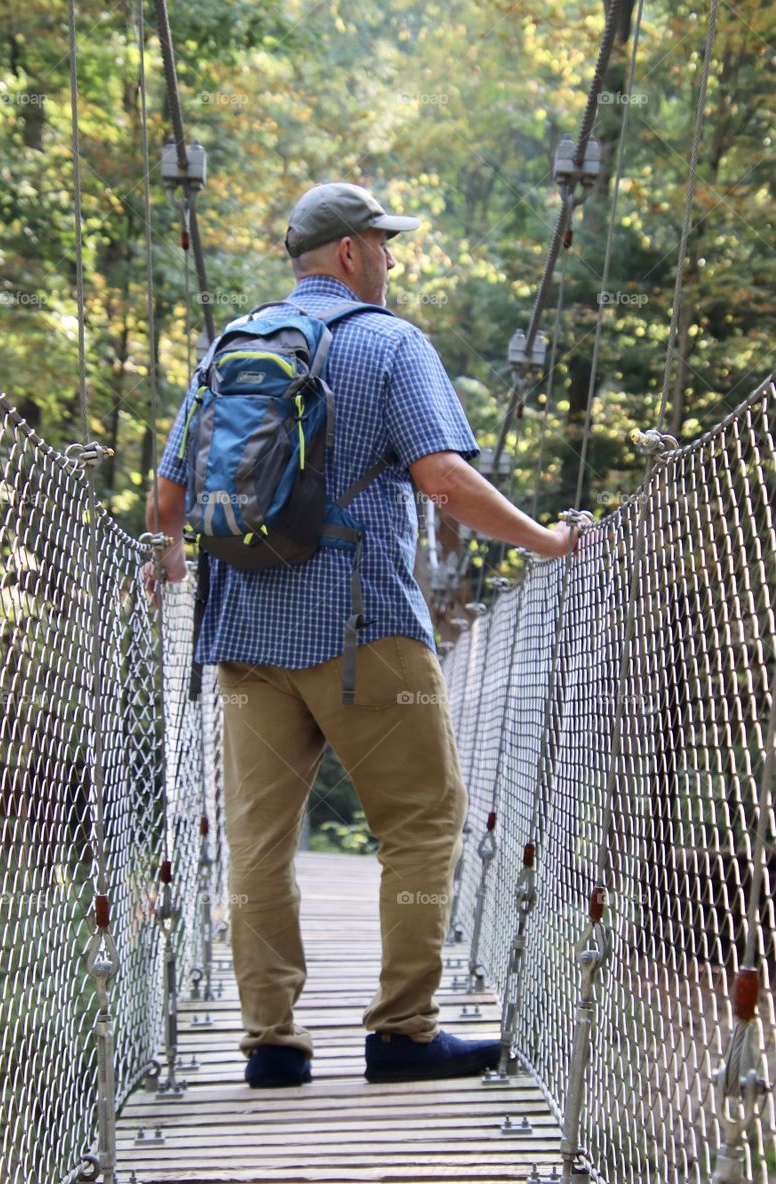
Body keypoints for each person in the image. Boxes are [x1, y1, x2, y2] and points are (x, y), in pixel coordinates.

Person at [147, 181, 576, 1089]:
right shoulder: (389, 344)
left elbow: (168, 501)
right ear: (349, 253)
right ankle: (402, 1034)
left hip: (242, 637)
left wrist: (174, 571)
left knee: (257, 844)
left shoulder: (231, 345)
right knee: (421, 822)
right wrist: (546, 542)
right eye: (382, 242)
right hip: (361, 630)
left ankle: (270, 1045)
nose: (390, 257)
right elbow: (445, 483)